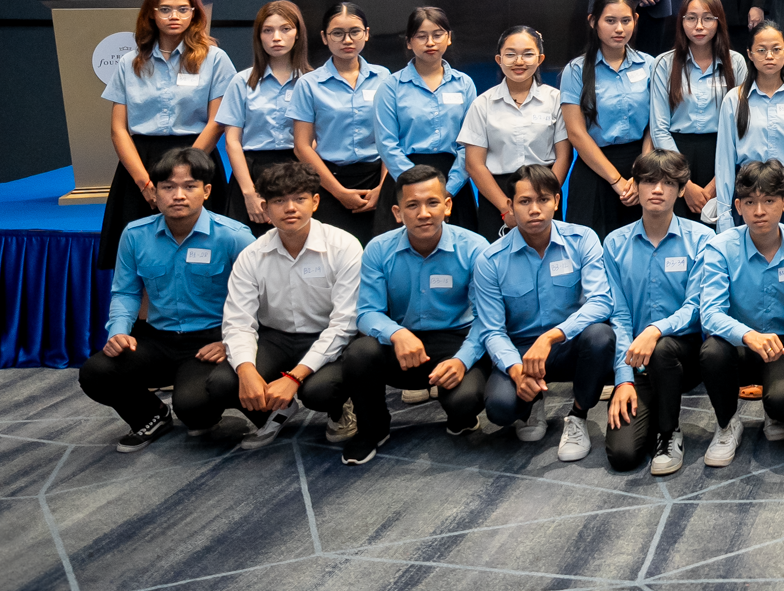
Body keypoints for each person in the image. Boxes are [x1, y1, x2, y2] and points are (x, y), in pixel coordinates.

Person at [78, 147, 255, 451]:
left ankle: (200, 411)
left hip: (210, 340)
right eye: (168, 187)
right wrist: (119, 331)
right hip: (158, 339)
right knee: (96, 372)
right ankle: (151, 416)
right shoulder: (135, 234)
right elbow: (125, 292)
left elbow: (258, 298)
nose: (178, 195)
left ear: (206, 191)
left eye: (189, 186)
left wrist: (231, 341)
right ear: (154, 192)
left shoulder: (234, 236)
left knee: (193, 410)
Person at [339, 164, 493, 463]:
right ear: (398, 213)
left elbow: (488, 319)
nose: (424, 213)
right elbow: (368, 313)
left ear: (447, 206)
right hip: (403, 345)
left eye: (432, 202)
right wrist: (396, 333)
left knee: (465, 401)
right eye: (413, 205)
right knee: (359, 353)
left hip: (456, 340)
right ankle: (372, 429)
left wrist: (462, 360)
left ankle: (460, 416)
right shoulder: (377, 250)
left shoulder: (475, 248)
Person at [208, 160, 364, 450]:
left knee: (318, 392)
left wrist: (294, 377)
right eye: (279, 201)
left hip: (329, 336)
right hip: (276, 338)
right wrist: (246, 371)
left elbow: (345, 324)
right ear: (265, 208)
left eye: (299, 199)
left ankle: (340, 410)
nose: (290, 208)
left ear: (315, 202)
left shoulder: (344, 246)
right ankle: (275, 413)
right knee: (223, 384)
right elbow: (238, 321)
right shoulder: (252, 255)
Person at [472, 163, 617, 461]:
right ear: (510, 206)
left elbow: (601, 300)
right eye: (525, 202)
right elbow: (492, 330)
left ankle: (577, 416)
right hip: (521, 352)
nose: (535, 209)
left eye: (543, 200)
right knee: (500, 409)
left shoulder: (582, 239)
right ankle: (531, 400)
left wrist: (551, 337)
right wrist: (516, 370)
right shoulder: (490, 259)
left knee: (601, 335)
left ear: (556, 201)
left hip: (567, 345)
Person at [99, 0, 234, 268]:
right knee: (142, 259)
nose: (175, 16)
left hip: (198, 158)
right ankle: (144, 315)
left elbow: (217, 122)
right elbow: (118, 130)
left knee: (204, 256)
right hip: (141, 164)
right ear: (151, 12)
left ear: (195, 13)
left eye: (183, 9)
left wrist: (188, 168)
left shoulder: (215, 59)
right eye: (165, 9)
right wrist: (145, 182)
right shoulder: (129, 62)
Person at [696, 159, 784, 466]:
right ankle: (727, 424)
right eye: (750, 202)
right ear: (738, 206)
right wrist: (748, 335)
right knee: (711, 351)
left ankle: (775, 413)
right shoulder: (720, 247)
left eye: (769, 201)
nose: (759, 211)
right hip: (738, 343)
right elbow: (710, 313)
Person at [602, 148, 714, 476]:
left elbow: (696, 307)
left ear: (681, 190)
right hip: (635, 362)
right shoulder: (614, 244)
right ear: (635, 187)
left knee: (664, 347)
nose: (657, 190)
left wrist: (655, 330)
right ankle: (650, 412)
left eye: (667, 183)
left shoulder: (702, 239)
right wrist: (622, 380)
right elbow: (619, 317)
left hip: (683, 356)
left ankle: (669, 431)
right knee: (622, 456)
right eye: (649, 181)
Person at [291, 2, 393, 244]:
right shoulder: (309, 84)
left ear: (366, 34)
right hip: (329, 182)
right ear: (325, 38)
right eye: (337, 33)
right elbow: (301, 146)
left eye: (355, 31)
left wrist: (383, 187)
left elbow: (391, 137)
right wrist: (339, 192)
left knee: (378, 256)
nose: (347, 40)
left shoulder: (385, 78)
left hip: (377, 180)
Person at [460, 26, 570, 241]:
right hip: (498, 196)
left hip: (545, 188)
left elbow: (564, 156)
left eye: (528, 54)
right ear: (499, 59)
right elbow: (474, 164)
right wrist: (505, 208)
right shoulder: (482, 104)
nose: (519, 61)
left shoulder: (556, 100)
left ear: (540, 58)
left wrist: (545, 199)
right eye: (510, 54)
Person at [562, 0, 656, 237]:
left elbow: (654, 125)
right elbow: (576, 133)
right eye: (610, 21)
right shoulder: (575, 70)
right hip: (594, 168)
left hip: (640, 165)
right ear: (593, 22)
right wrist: (617, 181)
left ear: (636, 20)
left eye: (626, 21)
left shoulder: (650, 65)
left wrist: (640, 174)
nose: (619, 29)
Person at [714, 22, 784, 232]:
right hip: (748, 188)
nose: (769, 56)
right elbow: (724, 162)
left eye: (776, 49)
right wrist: (724, 217)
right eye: (761, 50)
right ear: (750, 54)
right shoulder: (734, 99)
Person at [649, 0, 747, 224]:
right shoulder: (664, 64)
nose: (699, 26)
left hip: (723, 152)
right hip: (676, 156)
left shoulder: (737, 63)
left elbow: (742, 126)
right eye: (691, 18)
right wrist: (685, 182)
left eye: (708, 18)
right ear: (681, 21)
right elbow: (659, 128)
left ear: (719, 21)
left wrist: (720, 180)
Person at [371, 7, 475, 217]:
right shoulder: (391, 86)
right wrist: (414, 185)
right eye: (422, 36)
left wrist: (449, 188)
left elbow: (470, 144)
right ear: (409, 42)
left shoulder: (464, 84)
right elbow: (386, 144)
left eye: (438, 35)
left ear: (448, 38)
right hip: (404, 179)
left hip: (453, 182)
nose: (430, 42)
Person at [217, 1, 312, 226]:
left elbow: (317, 138)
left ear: (298, 33)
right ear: (259, 36)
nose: (276, 37)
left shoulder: (313, 81)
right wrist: (249, 193)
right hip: (252, 171)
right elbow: (232, 141)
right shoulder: (242, 81)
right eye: (268, 30)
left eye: (285, 29)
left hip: (299, 167)